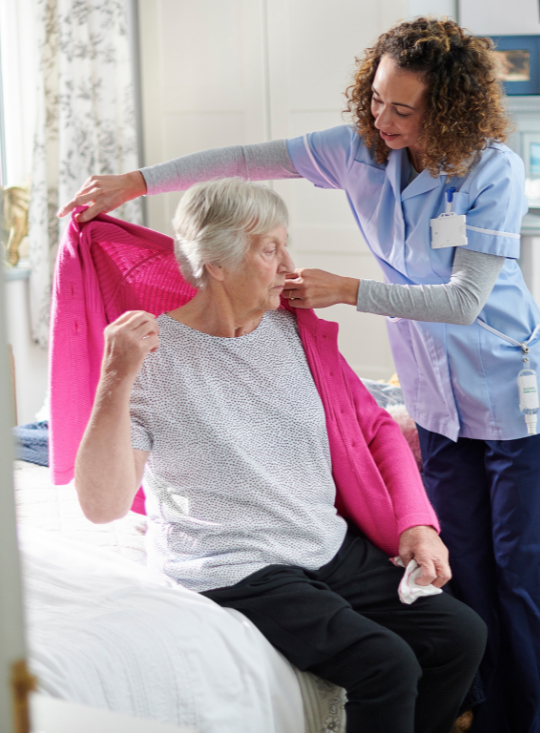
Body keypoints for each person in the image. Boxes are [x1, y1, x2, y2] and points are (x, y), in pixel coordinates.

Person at [63, 17, 540, 733]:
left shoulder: (493, 173)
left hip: (516, 401)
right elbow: (242, 159)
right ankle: (481, 721)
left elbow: (465, 302)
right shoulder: (357, 153)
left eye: (405, 109)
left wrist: (347, 289)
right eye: (376, 99)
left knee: (532, 588)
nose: (383, 119)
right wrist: (136, 181)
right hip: (437, 405)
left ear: (448, 108)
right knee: (470, 589)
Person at [74, 178, 486, 733]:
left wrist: (417, 523)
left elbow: (375, 428)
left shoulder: (295, 329)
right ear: (216, 263)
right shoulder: (153, 359)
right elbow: (102, 506)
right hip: (234, 562)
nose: (289, 264)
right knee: (386, 665)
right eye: (270, 249)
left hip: (319, 542)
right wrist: (115, 376)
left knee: (460, 634)